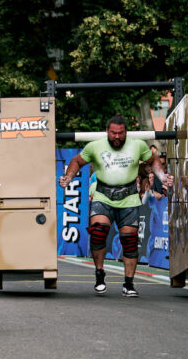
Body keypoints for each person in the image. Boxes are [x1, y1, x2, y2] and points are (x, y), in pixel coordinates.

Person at [59, 115, 171, 297]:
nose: (117, 137)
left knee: (129, 240)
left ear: (126, 132)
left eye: (120, 133)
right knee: (98, 231)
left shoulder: (138, 145)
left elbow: (154, 160)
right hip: (103, 195)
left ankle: (128, 284)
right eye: (113, 133)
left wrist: (162, 176)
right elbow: (77, 162)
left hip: (128, 198)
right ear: (107, 132)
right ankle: (99, 273)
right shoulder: (95, 146)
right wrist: (69, 177)